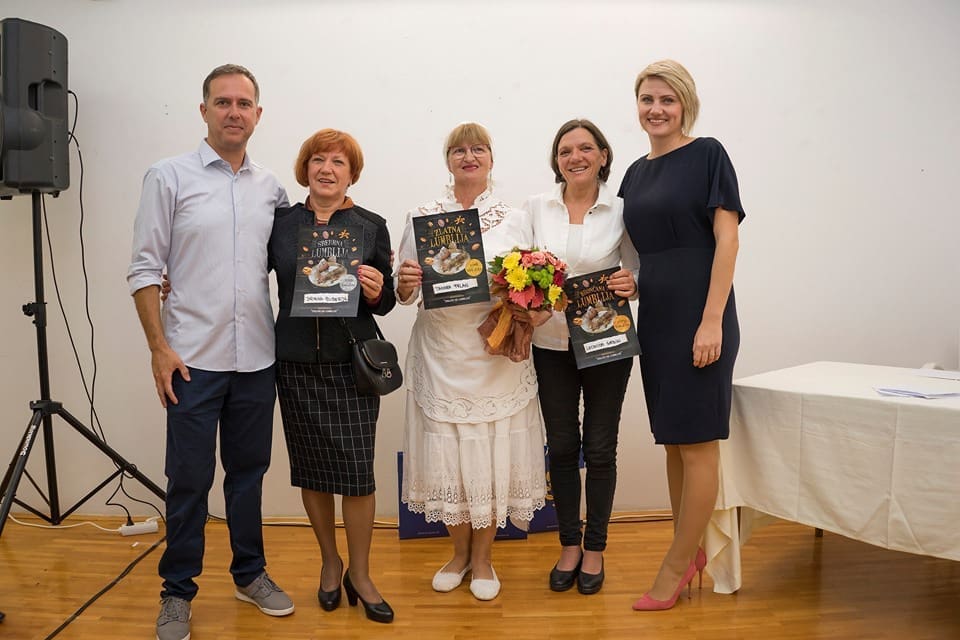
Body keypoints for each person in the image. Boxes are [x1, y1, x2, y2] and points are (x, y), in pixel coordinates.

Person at [127, 64, 294, 640]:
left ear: (258, 115)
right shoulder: (167, 177)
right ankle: (177, 592)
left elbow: (298, 263)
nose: (233, 112)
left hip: (257, 361)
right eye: (222, 102)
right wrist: (158, 348)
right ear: (204, 111)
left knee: (248, 477)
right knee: (188, 480)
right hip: (190, 361)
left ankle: (250, 574)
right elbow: (145, 269)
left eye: (244, 103)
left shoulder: (273, 189)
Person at [396, 122, 546, 601]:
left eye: (478, 148)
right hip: (440, 353)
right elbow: (404, 294)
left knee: (488, 458)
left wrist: (525, 304)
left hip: (493, 356)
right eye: (459, 150)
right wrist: (406, 281)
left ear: (491, 159)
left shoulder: (516, 218)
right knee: (450, 461)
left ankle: (483, 559)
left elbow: (535, 286)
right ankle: (458, 555)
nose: (468, 156)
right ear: (448, 160)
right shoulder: (421, 216)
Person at [619, 60, 745, 611]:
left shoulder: (708, 154)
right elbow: (641, 254)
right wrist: (632, 283)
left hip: (701, 313)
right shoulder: (633, 174)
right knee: (673, 440)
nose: (656, 109)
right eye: (647, 99)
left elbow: (727, 240)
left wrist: (711, 320)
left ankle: (674, 567)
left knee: (697, 443)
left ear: (685, 104)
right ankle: (687, 548)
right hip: (657, 317)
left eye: (667, 99)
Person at [268, 129, 396, 623]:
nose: (327, 169)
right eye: (318, 159)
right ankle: (329, 562)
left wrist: (377, 290)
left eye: (338, 162)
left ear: (352, 174)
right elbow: (245, 275)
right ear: (305, 169)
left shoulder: (370, 225)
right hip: (296, 364)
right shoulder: (281, 225)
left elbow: (385, 301)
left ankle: (360, 573)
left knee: (358, 477)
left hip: (351, 365)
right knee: (313, 471)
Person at [523, 119, 639, 595]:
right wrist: (531, 297)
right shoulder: (536, 207)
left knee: (601, 447)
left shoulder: (623, 209)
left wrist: (633, 282)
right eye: (566, 150)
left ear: (603, 156)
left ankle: (595, 548)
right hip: (551, 345)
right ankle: (569, 544)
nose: (576, 157)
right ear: (557, 161)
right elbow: (520, 269)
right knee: (563, 446)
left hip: (606, 346)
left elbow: (637, 267)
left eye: (586, 148)